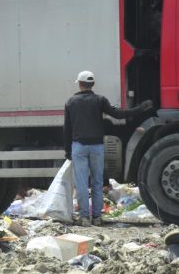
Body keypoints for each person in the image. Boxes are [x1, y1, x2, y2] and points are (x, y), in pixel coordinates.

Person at [64, 70, 152, 226]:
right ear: (93, 84)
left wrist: (67, 151)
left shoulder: (71, 102)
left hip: (79, 146)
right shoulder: (100, 100)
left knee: (82, 183)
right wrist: (141, 108)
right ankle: (97, 217)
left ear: (79, 83)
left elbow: (67, 129)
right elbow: (118, 114)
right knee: (98, 182)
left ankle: (84, 218)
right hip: (97, 146)